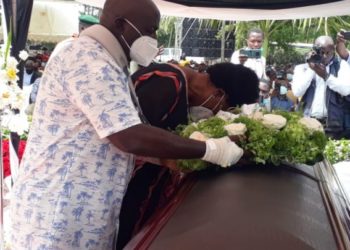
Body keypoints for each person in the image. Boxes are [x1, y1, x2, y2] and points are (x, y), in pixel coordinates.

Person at [9, 0, 245, 249]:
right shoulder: (88, 59)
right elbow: (128, 135)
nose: (154, 38)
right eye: (150, 30)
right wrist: (210, 149)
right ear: (120, 24)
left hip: (85, 206)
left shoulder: (108, 61)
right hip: (59, 210)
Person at [117, 62, 259, 249]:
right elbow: (134, 141)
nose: (216, 115)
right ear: (219, 95)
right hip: (120, 185)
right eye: (223, 108)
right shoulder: (166, 81)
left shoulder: (181, 89)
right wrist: (205, 152)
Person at [292, 35, 350, 139]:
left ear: (334, 51)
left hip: (333, 126)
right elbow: (297, 92)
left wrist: (326, 76)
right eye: (321, 52)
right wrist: (312, 68)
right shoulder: (302, 68)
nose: (324, 56)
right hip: (308, 123)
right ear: (314, 49)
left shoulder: (342, 66)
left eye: (328, 52)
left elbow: (346, 90)